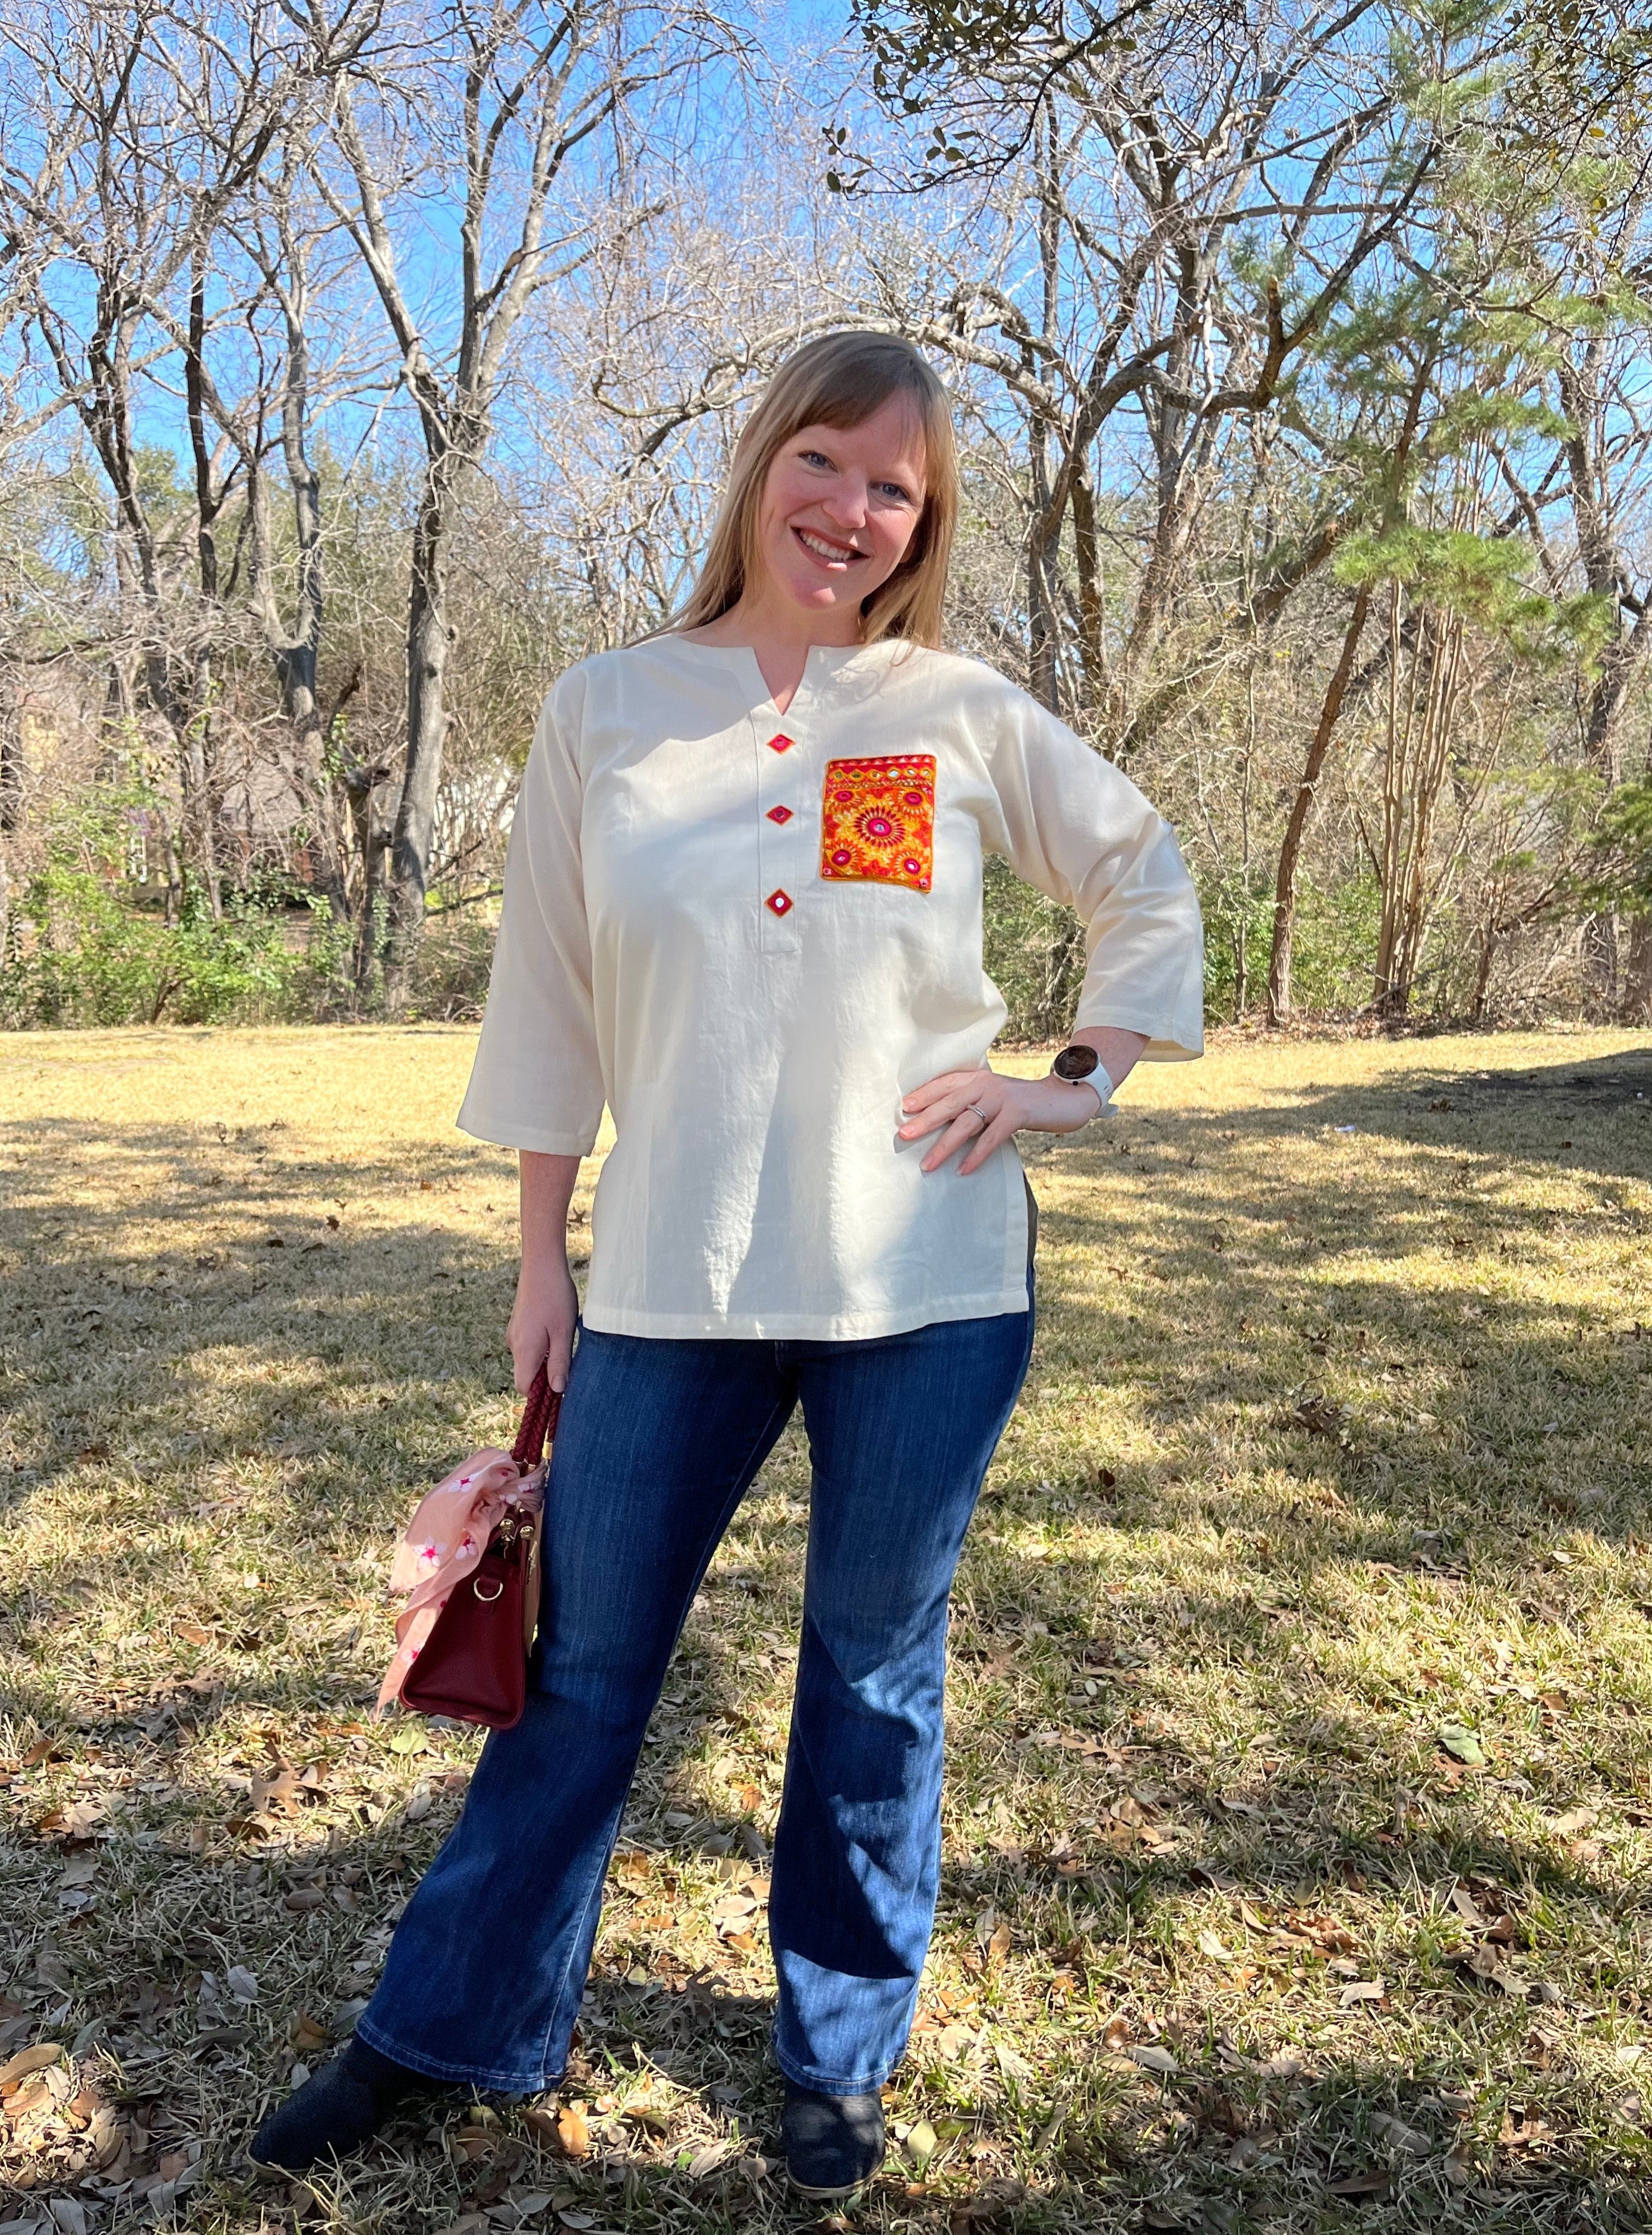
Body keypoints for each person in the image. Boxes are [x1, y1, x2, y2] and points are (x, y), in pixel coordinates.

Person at [252, 330, 1203, 2195]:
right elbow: (549, 989)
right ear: (764, 455)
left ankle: (835, 2054)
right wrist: (543, 1254)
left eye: (895, 488)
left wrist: (1075, 1078)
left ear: (923, 521)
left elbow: (1141, 870)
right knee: (581, 1673)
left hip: (927, 1287)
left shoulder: (953, 709)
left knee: (871, 1671)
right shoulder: (609, 706)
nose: (851, 510)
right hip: (666, 1285)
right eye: (827, 460)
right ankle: (446, 2025)